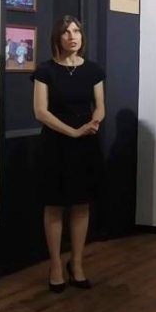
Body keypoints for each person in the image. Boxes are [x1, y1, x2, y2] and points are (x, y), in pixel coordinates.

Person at [31, 15, 105, 293]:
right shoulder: (45, 71)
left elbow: (100, 106)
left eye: (76, 31)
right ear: (57, 38)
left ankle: (77, 263)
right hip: (55, 144)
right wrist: (72, 132)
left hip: (85, 143)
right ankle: (55, 266)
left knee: (81, 205)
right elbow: (40, 112)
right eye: (66, 32)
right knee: (54, 206)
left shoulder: (93, 70)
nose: (72, 36)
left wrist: (94, 122)